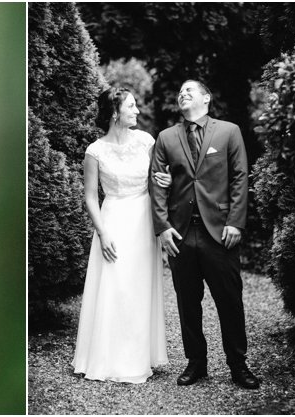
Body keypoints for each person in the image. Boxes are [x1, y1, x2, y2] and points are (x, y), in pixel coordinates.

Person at [148, 80, 260, 389]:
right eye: (179, 91)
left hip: (220, 232)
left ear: (206, 98)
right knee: (187, 301)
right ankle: (196, 362)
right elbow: (157, 185)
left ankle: (238, 364)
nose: (182, 93)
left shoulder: (228, 131)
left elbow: (239, 177)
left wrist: (236, 222)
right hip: (180, 233)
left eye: (189, 90)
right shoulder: (165, 138)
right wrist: (162, 226)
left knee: (229, 300)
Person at [72, 87, 171, 383]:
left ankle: (138, 355)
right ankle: (107, 357)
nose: (137, 111)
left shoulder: (145, 141)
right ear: (115, 112)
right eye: (131, 106)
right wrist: (102, 233)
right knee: (114, 286)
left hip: (143, 221)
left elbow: (157, 179)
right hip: (113, 219)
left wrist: (166, 179)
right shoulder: (95, 150)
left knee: (138, 286)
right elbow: (90, 197)